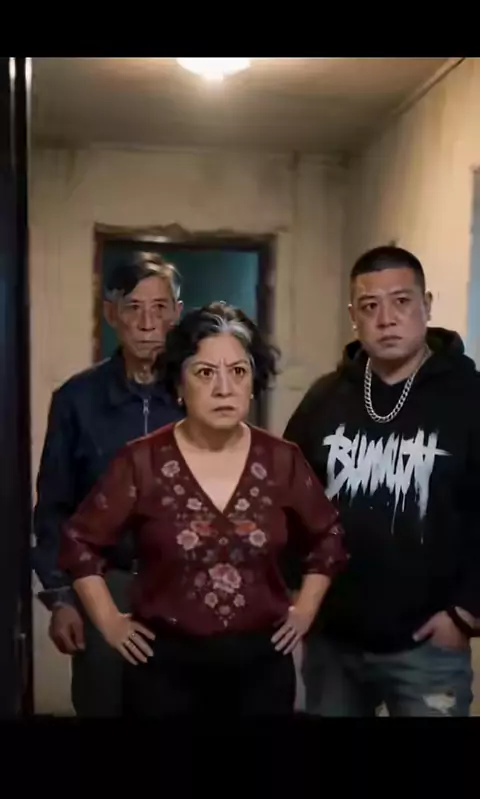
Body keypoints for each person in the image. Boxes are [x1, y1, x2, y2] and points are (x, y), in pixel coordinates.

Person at [58, 302, 347, 718]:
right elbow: (79, 541)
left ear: (253, 383)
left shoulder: (282, 460)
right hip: (164, 671)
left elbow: (328, 536)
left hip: (260, 671)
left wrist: (305, 609)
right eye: (205, 373)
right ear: (179, 383)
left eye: (238, 372)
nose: (224, 388)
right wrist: (110, 622)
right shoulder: (142, 461)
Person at [284, 244, 480, 717]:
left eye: (402, 302)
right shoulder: (325, 399)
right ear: (354, 316)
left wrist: (466, 613)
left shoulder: (469, 399)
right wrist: (295, 596)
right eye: (370, 306)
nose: (386, 319)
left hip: (428, 647)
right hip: (333, 642)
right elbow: (287, 501)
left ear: (426, 305)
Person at [32, 251, 184, 716]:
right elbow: (54, 506)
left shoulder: (196, 393)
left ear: (177, 313)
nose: (147, 323)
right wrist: (61, 598)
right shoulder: (77, 399)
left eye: (159, 308)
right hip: (103, 587)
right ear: (111, 314)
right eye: (133, 308)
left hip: (182, 588)